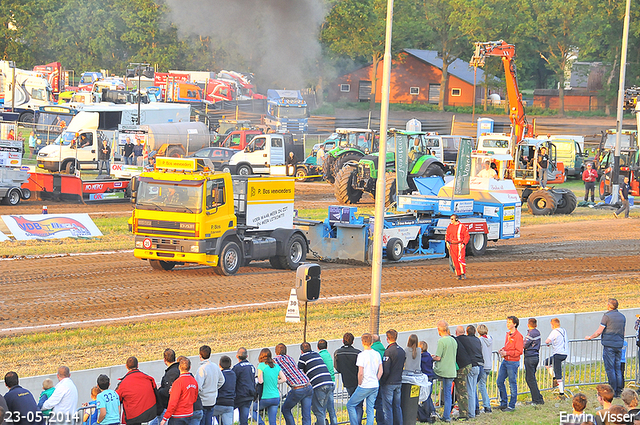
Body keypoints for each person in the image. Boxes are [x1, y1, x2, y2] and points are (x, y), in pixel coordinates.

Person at [586, 298, 627, 397]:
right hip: (619, 344)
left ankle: (612, 391)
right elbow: (623, 332)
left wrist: (590, 337)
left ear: (609, 305)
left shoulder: (606, 316)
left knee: (610, 369)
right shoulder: (622, 317)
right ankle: (618, 391)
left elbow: (599, 331)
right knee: (618, 368)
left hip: (609, 345)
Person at [346, 333, 382, 425]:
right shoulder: (377, 354)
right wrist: (376, 379)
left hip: (365, 385)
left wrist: (359, 383)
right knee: (370, 408)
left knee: (350, 405)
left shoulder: (361, 355)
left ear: (362, 342)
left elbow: (360, 372)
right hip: (374, 384)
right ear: (371, 342)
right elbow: (381, 370)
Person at [274, 343, 312, 425]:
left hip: (298, 388)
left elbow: (276, 372)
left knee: (286, 409)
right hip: (308, 385)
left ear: (276, 352)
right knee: (306, 415)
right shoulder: (290, 358)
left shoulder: (275, 360)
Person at [298, 342, 334, 425]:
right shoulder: (316, 354)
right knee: (322, 409)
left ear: (301, 351)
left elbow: (299, 371)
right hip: (329, 382)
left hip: (319, 385)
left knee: (318, 411)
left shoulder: (303, 357)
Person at [115, 356, 159, 425]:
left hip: (133, 417)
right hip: (150, 413)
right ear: (137, 365)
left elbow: (116, 398)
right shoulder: (148, 378)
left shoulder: (123, 384)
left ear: (126, 366)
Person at [432, 321, 457, 423]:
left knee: (428, 382)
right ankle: (446, 416)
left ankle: (430, 408)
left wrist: (432, 357)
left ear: (439, 330)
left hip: (442, 370)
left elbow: (438, 357)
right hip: (451, 370)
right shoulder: (453, 340)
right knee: (448, 394)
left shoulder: (442, 341)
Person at [160, 357, 199, 425]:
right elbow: (194, 398)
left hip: (178, 416)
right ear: (189, 368)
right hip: (189, 414)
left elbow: (173, 402)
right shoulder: (194, 381)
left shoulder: (178, 382)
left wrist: (165, 418)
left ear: (179, 367)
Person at [496, 316, 523, 412]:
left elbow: (519, 351)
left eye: (510, 322)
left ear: (515, 324)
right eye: (507, 322)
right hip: (506, 360)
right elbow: (509, 346)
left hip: (513, 362)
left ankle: (511, 405)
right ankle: (503, 403)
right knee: (499, 381)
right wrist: (503, 349)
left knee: (512, 383)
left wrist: (507, 353)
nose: (508, 324)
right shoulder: (508, 334)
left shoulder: (518, 336)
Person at [253, 348, 286, 425]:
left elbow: (261, 380)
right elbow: (284, 379)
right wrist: (275, 381)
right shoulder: (276, 366)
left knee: (252, 409)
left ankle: (261, 423)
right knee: (273, 421)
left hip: (265, 397)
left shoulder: (261, 365)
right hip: (275, 397)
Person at [334, 333, 362, 423]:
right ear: (353, 342)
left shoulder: (338, 353)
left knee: (352, 404)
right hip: (358, 381)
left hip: (347, 381)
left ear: (343, 341)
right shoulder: (358, 353)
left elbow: (337, 367)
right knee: (359, 405)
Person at [380, 329, 405, 425]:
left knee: (387, 408)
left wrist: (383, 381)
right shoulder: (401, 351)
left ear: (387, 338)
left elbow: (386, 370)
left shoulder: (388, 352)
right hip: (398, 381)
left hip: (389, 383)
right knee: (397, 406)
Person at [196, 345, 225, 425]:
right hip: (212, 399)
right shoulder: (215, 366)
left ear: (200, 355)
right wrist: (215, 388)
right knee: (209, 421)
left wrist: (202, 392)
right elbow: (222, 380)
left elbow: (198, 386)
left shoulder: (202, 369)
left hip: (203, 400)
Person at [460, 325, 483, 418]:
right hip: (479, 366)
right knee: (473, 390)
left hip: (472, 365)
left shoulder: (467, 340)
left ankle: (471, 413)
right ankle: (474, 410)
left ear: (466, 332)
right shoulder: (478, 340)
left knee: (470, 391)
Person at [153, 349, 181, 425]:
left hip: (168, 407)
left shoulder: (171, 373)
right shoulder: (179, 369)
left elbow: (168, 391)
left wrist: (159, 389)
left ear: (165, 360)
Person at [544, 318, 569, 397]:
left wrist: (548, 343)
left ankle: (561, 392)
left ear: (553, 324)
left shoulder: (554, 332)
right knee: (546, 362)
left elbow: (547, 341)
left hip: (558, 354)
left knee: (558, 373)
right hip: (564, 353)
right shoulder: (563, 330)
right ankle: (554, 377)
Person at [232, 347, 256, 425]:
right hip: (249, 395)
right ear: (247, 356)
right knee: (244, 420)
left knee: (225, 413)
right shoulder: (251, 366)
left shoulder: (237, 368)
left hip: (239, 396)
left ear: (237, 356)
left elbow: (233, 381)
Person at [453, 325, 472, 420]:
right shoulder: (468, 339)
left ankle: (464, 414)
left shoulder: (456, 341)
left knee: (461, 391)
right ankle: (468, 412)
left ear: (456, 333)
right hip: (469, 365)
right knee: (465, 390)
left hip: (462, 367)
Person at [523, 318, 544, 405]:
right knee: (532, 378)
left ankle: (536, 400)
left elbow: (524, 344)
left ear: (528, 324)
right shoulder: (537, 332)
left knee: (530, 379)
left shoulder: (530, 334)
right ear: (536, 325)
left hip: (530, 357)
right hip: (536, 356)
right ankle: (538, 397)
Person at [317, 339, 338, 425]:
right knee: (331, 408)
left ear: (318, 347)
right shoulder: (328, 355)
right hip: (332, 382)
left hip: (323, 383)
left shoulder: (319, 356)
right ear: (327, 346)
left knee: (321, 408)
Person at [445, 214, 470, 280]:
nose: (451, 220)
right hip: (452, 245)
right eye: (451, 219)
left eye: (452, 219)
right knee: (454, 260)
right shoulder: (450, 227)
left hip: (460, 245)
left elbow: (467, 236)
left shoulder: (462, 226)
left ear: (456, 219)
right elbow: (447, 235)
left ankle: (463, 273)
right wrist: (447, 242)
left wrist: (464, 243)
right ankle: (458, 274)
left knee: (461, 259)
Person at [213, 356, 235, 425]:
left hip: (219, 402)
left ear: (219, 365)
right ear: (230, 365)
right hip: (230, 403)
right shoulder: (233, 374)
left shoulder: (220, 375)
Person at [418, 341, 436, 424]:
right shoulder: (429, 356)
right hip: (430, 376)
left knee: (425, 396)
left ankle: (428, 413)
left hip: (423, 378)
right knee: (428, 395)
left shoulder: (419, 357)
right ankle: (432, 411)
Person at [476, 324, 493, 414]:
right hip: (489, 364)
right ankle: (486, 405)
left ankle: (487, 405)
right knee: (483, 385)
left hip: (483, 364)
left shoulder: (480, 340)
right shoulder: (490, 339)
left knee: (481, 386)